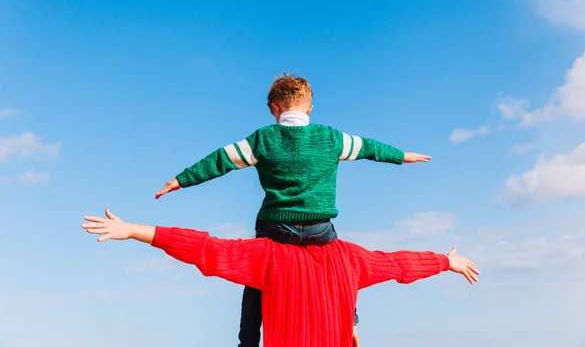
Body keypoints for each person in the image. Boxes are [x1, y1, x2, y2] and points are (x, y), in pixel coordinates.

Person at [154, 73, 431, 347]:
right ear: (309, 108)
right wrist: (401, 156)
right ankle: (350, 321)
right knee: (341, 263)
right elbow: (369, 148)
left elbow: (220, 161)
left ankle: (247, 342)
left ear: (274, 108)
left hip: (277, 232)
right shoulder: (330, 138)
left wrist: (181, 180)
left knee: (254, 270)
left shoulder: (263, 139)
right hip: (320, 232)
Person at [82, 210, 480, 347]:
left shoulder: (266, 256)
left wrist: (135, 230)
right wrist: (445, 262)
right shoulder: (350, 258)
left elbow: (207, 250)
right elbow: (398, 264)